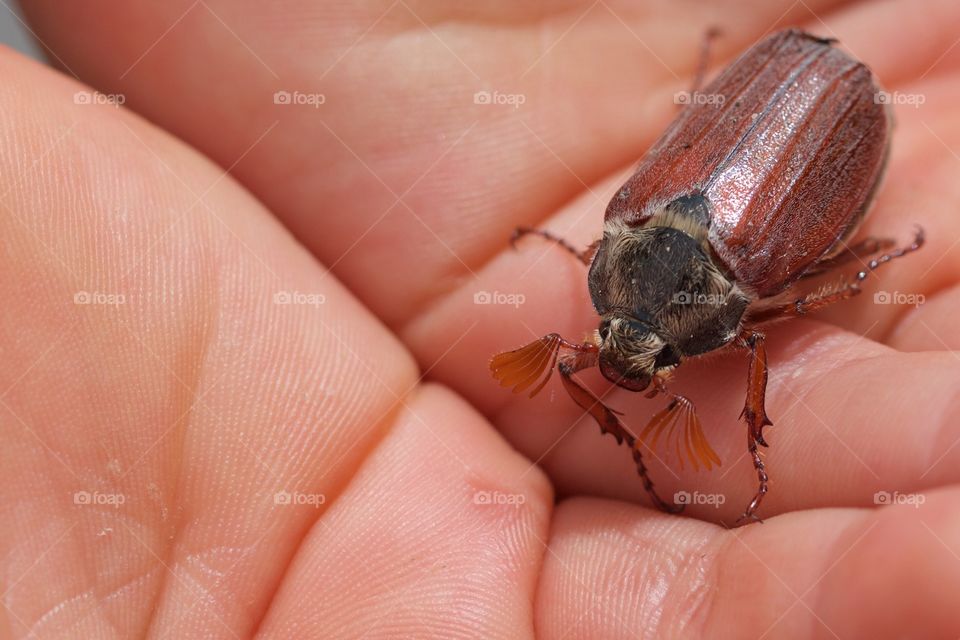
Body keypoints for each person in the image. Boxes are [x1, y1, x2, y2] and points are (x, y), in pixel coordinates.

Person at [3, 0, 960, 637]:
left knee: (808, 291)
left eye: (642, 353)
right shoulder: (629, 233)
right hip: (770, 88)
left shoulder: (712, 279)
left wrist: (868, 274)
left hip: (841, 118)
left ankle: (864, 273)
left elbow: (774, 317)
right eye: (634, 350)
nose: (622, 361)